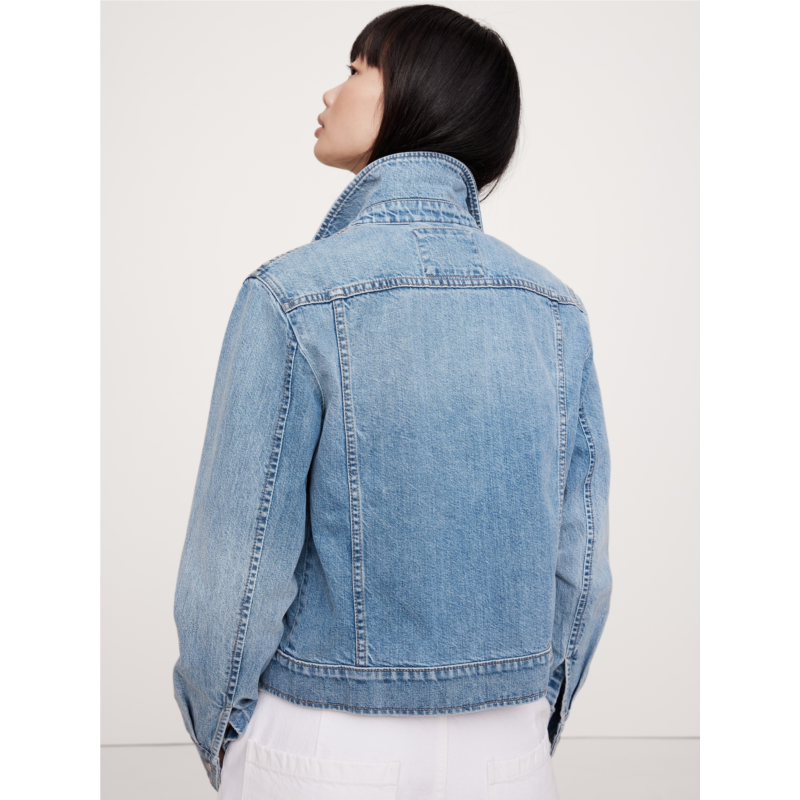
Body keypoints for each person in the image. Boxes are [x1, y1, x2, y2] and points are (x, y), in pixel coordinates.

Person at [174, 6, 611, 798]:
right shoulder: (555, 309)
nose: (330, 92)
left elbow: (234, 565)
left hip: (320, 740)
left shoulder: (291, 294)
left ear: (413, 92)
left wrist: (224, 736)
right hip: (507, 749)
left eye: (355, 69)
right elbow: (580, 563)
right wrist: (532, 716)